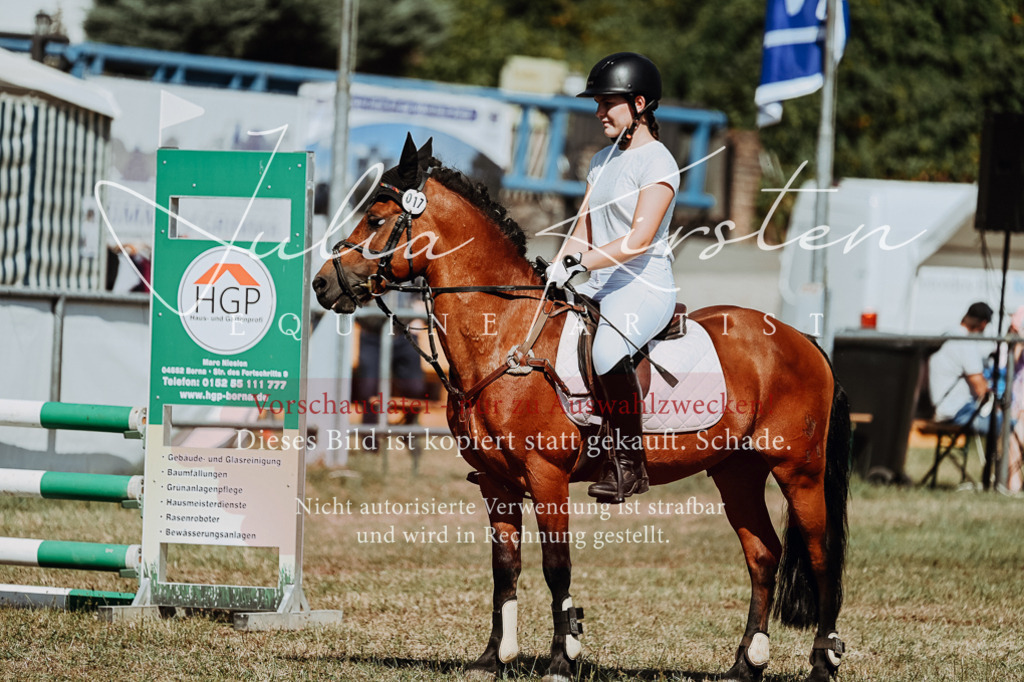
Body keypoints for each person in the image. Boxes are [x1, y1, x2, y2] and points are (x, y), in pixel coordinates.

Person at [545, 52, 679, 502]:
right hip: (601, 282)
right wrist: (557, 266)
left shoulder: (657, 162)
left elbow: (639, 239)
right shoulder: (601, 161)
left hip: (644, 284)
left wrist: (582, 265)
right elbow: (582, 228)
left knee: (605, 350)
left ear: (639, 104)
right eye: (598, 103)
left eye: (608, 103)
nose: (599, 111)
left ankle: (628, 463)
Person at [928, 302, 997, 433]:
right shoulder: (965, 342)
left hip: (941, 409)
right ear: (983, 323)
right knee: (1009, 425)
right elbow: (980, 388)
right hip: (957, 412)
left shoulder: (949, 333)